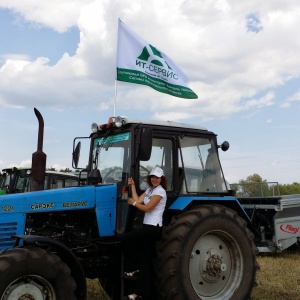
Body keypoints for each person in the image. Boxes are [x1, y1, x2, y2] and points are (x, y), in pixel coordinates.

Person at [122, 166, 167, 300]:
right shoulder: (149, 190)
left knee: (126, 238)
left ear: (161, 179)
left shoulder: (160, 192)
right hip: (148, 227)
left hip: (153, 228)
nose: (154, 179)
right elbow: (138, 199)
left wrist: (133, 203)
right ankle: (139, 294)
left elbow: (147, 208)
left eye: (157, 177)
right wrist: (133, 186)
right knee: (146, 262)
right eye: (153, 177)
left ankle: (132, 267)